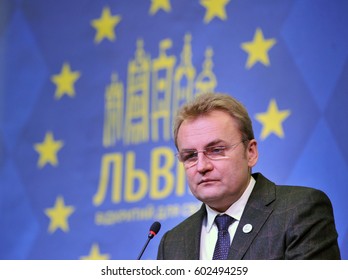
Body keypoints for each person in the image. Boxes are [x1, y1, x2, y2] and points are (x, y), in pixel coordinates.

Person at [157, 92, 340, 260]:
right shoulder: (172, 242)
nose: (202, 166)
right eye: (190, 156)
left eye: (216, 150)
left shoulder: (300, 211)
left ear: (250, 152)